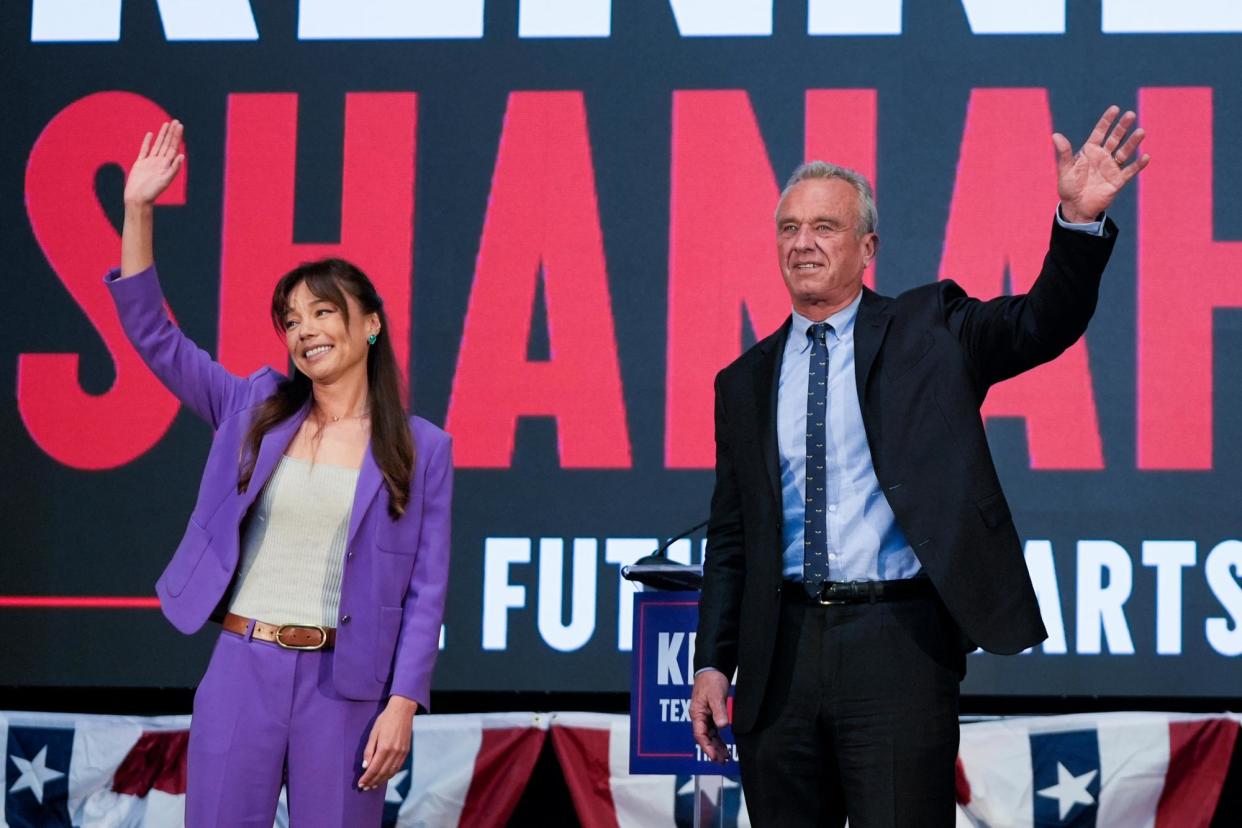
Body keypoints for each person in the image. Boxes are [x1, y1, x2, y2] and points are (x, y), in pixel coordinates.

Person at [689, 106, 1149, 826]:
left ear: (867, 246)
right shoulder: (742, 381)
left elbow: (1041, 324)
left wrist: (1076, 224)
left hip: (895, 645)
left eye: (825, 227)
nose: (803, 244)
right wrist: (713, 661)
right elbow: (732, 536)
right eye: (789, 228)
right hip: (778, 658)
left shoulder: (928, 328)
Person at [108, 121, 452, 826]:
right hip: (243, 666)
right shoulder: (251, 408)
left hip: (347, 688)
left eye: (324, 312)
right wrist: (138, 211)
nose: (305, 331)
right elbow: (155, 337)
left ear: (371, 325)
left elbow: (427, 592)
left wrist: (402, 703)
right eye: (291, 320)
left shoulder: (421, 449)